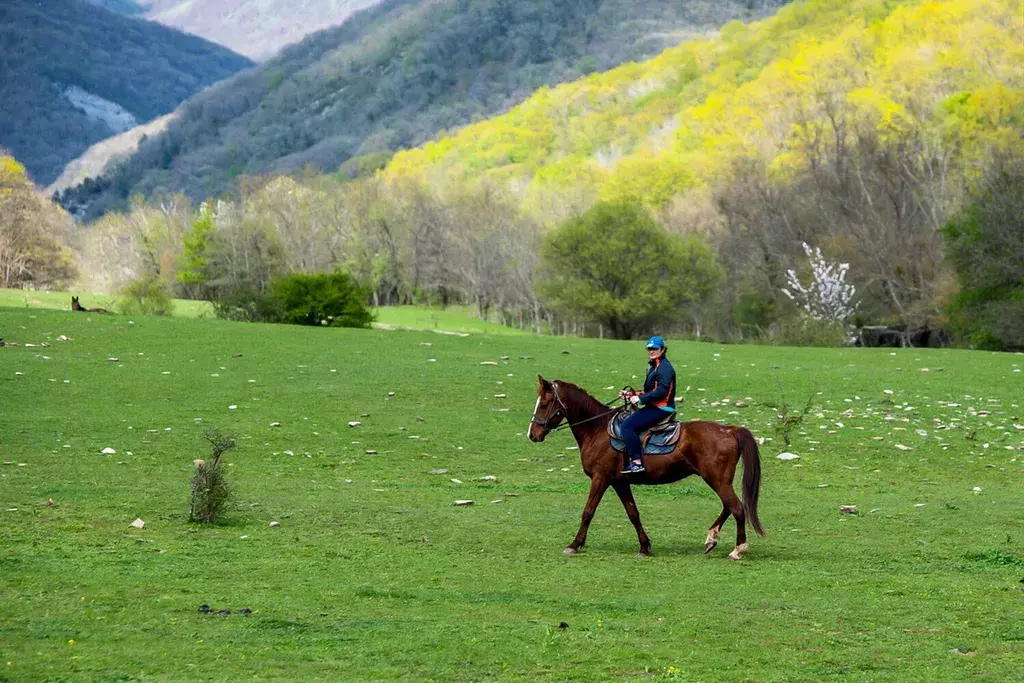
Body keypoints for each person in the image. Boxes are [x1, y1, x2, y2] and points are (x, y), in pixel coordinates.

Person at [619, 335, 676, 474]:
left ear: (662, 349)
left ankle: (637, 462)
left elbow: (661, 392)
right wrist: (632, 395)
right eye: (649, 349)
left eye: (654, 348)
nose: (651, 351)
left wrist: (640, 400)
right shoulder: (654, 366)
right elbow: (649, 391)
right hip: (653, 406)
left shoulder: (664, 368)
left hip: (662, 408)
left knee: (627, 426)